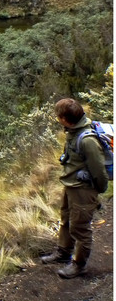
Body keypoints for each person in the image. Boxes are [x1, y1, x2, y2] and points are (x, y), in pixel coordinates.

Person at [40, 97, 109, 279]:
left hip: (82, 189)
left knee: (80, 227)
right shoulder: (72, 131)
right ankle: (63, 252)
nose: (57, 119)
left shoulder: (87, 140)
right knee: (67, 220)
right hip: (71, 185)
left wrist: (97, 193)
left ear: (65, 118)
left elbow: (99, 170)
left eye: (58, 116)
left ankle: (79, 264)